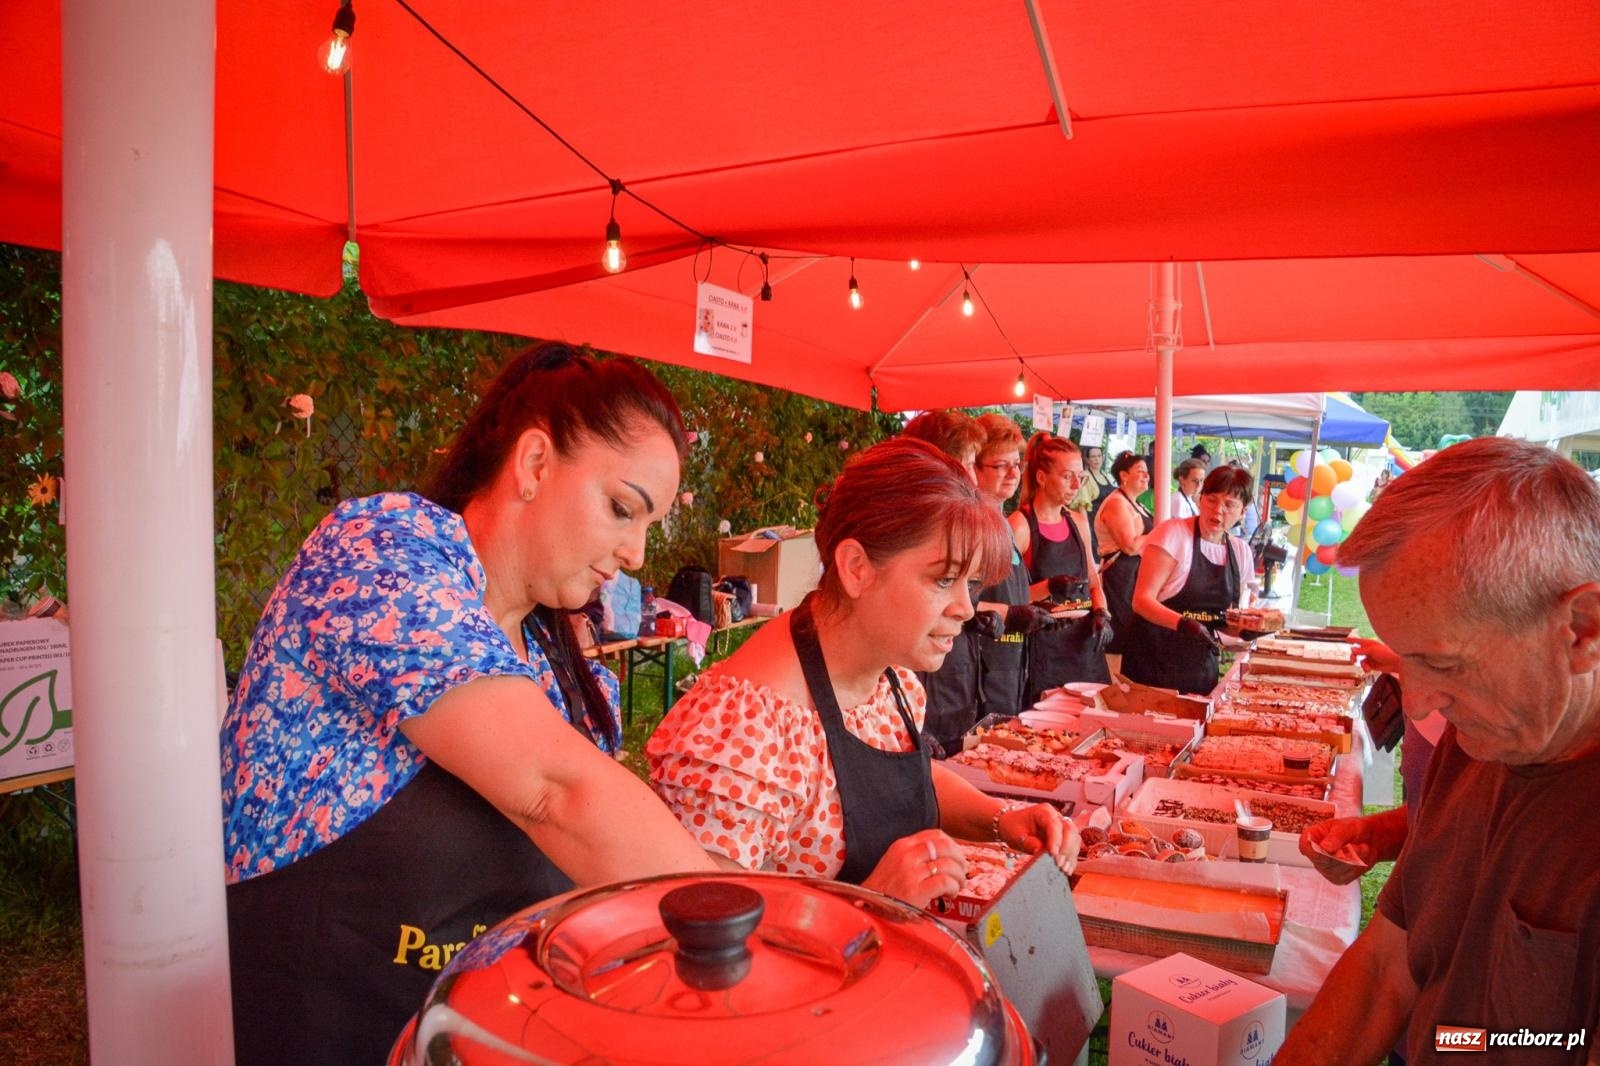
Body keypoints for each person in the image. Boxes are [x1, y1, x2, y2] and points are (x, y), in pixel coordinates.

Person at [220, 343, 718, 1066]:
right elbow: (558, 792)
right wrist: (738, 928)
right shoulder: (382, 553)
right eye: (622, 509)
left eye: (648, 525)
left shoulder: (551, 664)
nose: (637, 553)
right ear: (535, 464)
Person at [647, 438, 1078, 910]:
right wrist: (869, 903)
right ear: (856, 568)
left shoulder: (887, 672)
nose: (964, 608)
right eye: (942, 580)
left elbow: (908, 775)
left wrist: (1002, 819)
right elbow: (703, 932)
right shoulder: (744, 731)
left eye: (970, 584)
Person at [1279, 437, 1600, 1064]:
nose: (1419, 704)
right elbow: (1388, 963)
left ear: (1582, 629)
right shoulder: (1483, 739)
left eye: (1443, 663)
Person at [900, 410, 991, 752]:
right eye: (966, 463)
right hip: (910, 691)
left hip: (952, 677)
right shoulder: (905, 528)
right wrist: (905, 723)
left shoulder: (956, 524)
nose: (974, 477)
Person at [1120, 466, 1255, 695]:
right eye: (1212, 500)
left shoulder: (1240, 551)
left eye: (1230, 504)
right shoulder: (1173, 534)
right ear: (1200, 499)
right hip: (1153, 660)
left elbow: (1225, 619)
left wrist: (1246, 630)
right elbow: (1141, 600)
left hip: (1199, 665)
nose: (1218, 510)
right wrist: (1184, 624)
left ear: (1243, 512)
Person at [1011, 434, 1114, 702]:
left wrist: (1102, 612)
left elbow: (1092, 579)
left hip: (1084, 643)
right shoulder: (1020, 526)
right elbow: (1005, 599)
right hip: (1045, 647)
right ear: (1042, 477)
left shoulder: (1078, 521)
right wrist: (1049, 586)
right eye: (1068, 476)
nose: (1077, 484)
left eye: (1080, 476)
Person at [969, 413, 1052, 720]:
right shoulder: (971, 527)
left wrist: (1047, 604)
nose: (1013, 473)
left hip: (1012, 664)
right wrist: (1011, 614)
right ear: (974, 469)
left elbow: (1013, 593)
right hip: (981, 670)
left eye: (1016, 464)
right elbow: (959, 601)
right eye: (1000, 465)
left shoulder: (1003, 525)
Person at [1093, 451, 1154, 673]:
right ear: (1123, 475)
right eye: (1140, 472)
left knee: (1133, 628)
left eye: (1147, 473)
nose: (1146, 476)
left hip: (1135, 573)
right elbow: (1129, 545)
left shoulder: (1136, 503)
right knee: (1120, 628)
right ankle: (1112, 679)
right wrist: (1158, 536)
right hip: (1119, 574)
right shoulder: (1116, 503)